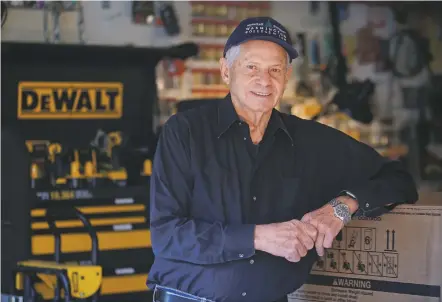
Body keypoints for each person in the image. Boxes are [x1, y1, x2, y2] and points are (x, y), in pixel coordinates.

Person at [147, 17, 418, 302]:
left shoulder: (311, 140)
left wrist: (342, 206)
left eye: (275, 69)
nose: (264, 80)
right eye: (251, 67)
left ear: (287, 77)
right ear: (226, 71)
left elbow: (398, 179)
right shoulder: (185, 132)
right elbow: (166, 235)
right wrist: (259, 237)